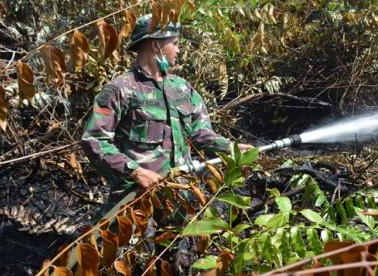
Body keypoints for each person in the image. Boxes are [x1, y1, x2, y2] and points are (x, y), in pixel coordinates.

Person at [81, 14, 252, 204]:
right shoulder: (121, 89)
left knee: (184, 234)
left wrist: (230, 148)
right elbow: (94, 140)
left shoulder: (182, 88)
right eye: (175, 43)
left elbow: (200, 132)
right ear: (156, 45)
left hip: (180, 193)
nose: (178, 50)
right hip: (137, 198)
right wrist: (136, 172)